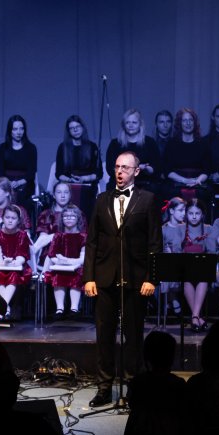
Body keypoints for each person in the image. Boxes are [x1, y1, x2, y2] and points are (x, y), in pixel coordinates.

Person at [83, 151, 163, 407]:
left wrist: (152, 278)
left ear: (136, 171)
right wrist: (89, 277)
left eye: (125, 168)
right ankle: (104, 387)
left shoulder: (147, 200)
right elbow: (92, 242)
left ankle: (132, 386)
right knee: (104, 335)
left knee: (133, 336)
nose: (119, 172)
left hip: (136, 278)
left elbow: (155, 243)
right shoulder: (102, 199)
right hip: (105, 277)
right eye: (117, 167)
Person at [0, 204, 32, 320]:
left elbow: (22, 255)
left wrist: (15, 262)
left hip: (19, 268)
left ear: (18, 221)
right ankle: (5, 308)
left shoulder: (22, 235)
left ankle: (2, 307)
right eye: (7, 217)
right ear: (2, 218)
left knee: (13, 275)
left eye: (13, 218)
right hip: (2, 266)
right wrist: (3, 262)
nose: (10, 221)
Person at [175, 197, 214, 331]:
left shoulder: (208, 229)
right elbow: (177, 249)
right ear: (186, 214)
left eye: (197, 213)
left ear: (202, 215)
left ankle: (195, 316)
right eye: (191, 213)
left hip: (203, 264)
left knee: (203, 277)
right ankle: (197, 317)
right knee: (187, 279)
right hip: (185, 264)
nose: (194, 216)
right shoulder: (180, 228)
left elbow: (211, 251)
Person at [42, 204, 86, 319]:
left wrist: (69, 261)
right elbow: (52, 255)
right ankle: (60, 308)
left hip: (77, 266)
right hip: (60, 266)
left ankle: (74, 308)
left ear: (78, 218)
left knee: (77, 275)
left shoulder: (83, 236)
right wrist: (62, 262)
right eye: (66, 216)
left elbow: (83, 258)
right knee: (58, 276)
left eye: (72, 216)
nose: (68, 218)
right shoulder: (58, 236)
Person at [54, 114, 102, 217]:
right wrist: (70, 180)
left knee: (87, 198)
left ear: (82, 128)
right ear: (68, 131)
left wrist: (84, 179)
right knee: (65, 194)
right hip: (69, 185)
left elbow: (98, 173)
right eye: (72, 128)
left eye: (77, 127)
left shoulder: (92, 147)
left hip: (88, 185)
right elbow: (59, 174)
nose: (75, 130)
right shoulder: (63, 147)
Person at [105, 108, 162, 192]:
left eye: (134, 122)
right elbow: (110, 169)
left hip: (145, 184)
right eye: (127, 122)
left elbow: (156, 168)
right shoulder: (115, 144)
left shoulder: (150, 142)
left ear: (140, 124)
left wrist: (146, 168)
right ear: (124, 125)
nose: (130, 125)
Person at [162, 107, 210, 203]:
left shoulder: (203, 144)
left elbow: (207, 170)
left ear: (195, 122)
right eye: (184, 120)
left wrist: (197, 181)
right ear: (179, 123)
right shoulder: (171, 144)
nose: (188, 123)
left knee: (205, 193)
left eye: (190, 120)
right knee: (167, 192)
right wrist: (184, 180)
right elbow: (167, 170)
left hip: (198, 182)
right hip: (176, 182)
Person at [0, 114, 38, 203]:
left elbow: (31, 172)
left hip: (25, 183)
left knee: (22, 195)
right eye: (15, 129)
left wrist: (19, 182)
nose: (19, 132)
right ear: (10, 131)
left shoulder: (31, 148)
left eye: (21, 129)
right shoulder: (2, 148)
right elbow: (0, 171)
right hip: (6, 182)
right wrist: (9, 183)